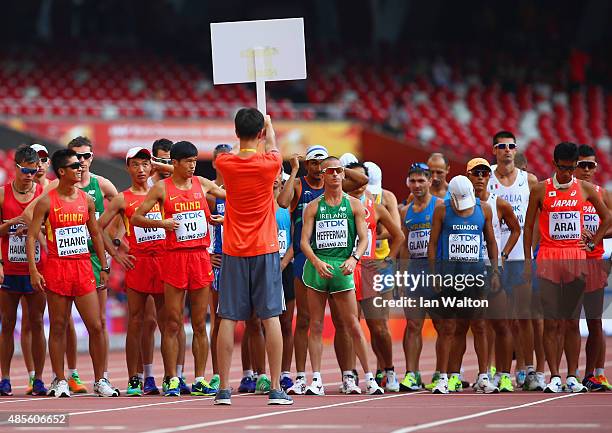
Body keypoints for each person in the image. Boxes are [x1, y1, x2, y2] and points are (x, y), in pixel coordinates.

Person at [132, 141, 225, 397]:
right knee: (172, 323)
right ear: (175, 163)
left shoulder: (203, 184)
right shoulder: (162, 188)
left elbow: (232, 198)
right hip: (174, 259)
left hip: (199, 258)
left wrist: (223, 219)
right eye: (188, 161)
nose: (193, 165)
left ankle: (199, 379)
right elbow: (136, 218)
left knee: (199, 323)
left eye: (195, 160)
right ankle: (172, 378)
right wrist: (163, 223)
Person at [213, 109, 293, 405]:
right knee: (271, 316)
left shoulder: (225, 163)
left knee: (228, 317)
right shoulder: (269, 164)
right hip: (265, 248)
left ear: (235, 132)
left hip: (234, 249)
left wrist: (251, 137)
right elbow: (274, 147)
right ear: (260, 133)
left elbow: (237, 151)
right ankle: (275, 387)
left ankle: (223, 389)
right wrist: (269, 126)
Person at [26, 148, 119, 397]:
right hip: (57, 268)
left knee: (97, 326)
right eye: (74, 166)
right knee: (58, 326)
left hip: (83, 266)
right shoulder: (47, 201)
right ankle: (59, 380)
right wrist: (34, 270)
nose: (80, 169)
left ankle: (101, 380)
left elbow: (95, 233)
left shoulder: (86, 200)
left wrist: (104, 265)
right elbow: (32, 236)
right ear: (62, 172)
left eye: (81, 165)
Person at [277, 145, 368, 395]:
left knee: (343, 322)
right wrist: (294, 170)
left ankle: (347, 376)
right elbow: (282, 202)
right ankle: (300, 377)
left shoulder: (337, 185)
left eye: (324, 165)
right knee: (305, 321)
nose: (320, 169)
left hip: (337, 262)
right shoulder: (299, 186)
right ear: (308, 165)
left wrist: (339, 167)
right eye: (315, 164)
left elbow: (363, 180)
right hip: (305, 261)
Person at [523, 141, 611, 393]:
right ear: (554, 165)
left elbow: (607, 217)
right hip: (549, 258)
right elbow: (529, 227)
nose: (568, 174)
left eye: (571, 169)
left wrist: (593, 240)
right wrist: (529, 261)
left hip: (575, 258)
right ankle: (554, 376)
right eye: (563, 169)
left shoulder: (584, 188)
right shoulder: (540, 190)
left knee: (571, 322)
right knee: (551, 322)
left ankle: (572, 375)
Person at [300, 156, 385, 396]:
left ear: (343, 174)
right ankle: (315, 379)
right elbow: (304, 242)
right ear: (323, 175)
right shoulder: (313, 207)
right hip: (318, 269)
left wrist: (354, 258)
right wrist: (316, 262)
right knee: (315, 325)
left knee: (353, 326)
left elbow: (364, 237)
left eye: (339, 171)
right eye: (330, 171)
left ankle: (369, 379)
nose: (335, 175)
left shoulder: (355, 205)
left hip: (343, 268)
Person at [97, 147, 168, 396]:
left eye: (145, 164)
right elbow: (98, 228)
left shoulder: (162, 193)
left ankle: (164, 377)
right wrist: (116, 254)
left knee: (164, 322)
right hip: (138, 264)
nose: (140, 169)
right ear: (128, 167)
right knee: (136, 322)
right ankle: (134, 379)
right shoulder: (122, 199)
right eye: (135, 165)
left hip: (162, 262)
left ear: (151, 167)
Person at [427, 175, 500, 394]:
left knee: (479, 325)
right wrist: (434, 274)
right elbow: (433, 243)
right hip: (449, 277)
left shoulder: (484, 209)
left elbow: (491, 241)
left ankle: (483, 376)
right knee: (448, 328)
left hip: (476, 277)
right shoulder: (442, 210)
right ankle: (443, 378)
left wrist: (495, 271)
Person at [457, 158, 520, 393]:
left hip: (491, 268)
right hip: (468, 271)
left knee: (501, 323)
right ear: (468, 176)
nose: (481, 177)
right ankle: (482, 373)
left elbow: (516, 229)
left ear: (489, 177)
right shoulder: (458, 206)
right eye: (476, 173)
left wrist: (501, 256)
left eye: (484, 172)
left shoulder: (498, 204)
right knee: (475, 325)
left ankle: (504, 376)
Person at [487, 131, 543, 392]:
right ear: (494, 150)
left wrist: (534, 254)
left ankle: (527, 368)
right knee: (498, 318)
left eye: (511, 146)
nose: (507, 150)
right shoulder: (486, 179)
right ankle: (497, 372)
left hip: (521, 256)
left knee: (524, 316)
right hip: (495, 258)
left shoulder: (529, 180)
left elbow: (536, 219)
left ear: (516, 150)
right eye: (502, 146)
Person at [67, 137, 123, 389]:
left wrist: (115, 240)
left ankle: (103, 377)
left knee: (98, 322)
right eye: (76, 156)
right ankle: (70, 374)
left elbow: (124, 207)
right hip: (67, 259)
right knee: (63, 321)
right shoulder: (59, 188)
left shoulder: (101, 185)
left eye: (86, 156)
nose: (81, 161)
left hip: (94, 258)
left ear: (92, 158)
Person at [345, 161, 404, 393]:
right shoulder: (338, 204)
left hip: (369, 269)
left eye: (362, 180)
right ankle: (349, 375)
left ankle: (389, 370)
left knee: (378, 326)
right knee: (349, 326)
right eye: (354, 181)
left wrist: (388, 261)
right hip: (346, 269)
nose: (358, 186)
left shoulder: (375, 206)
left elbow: (398, 236)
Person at [0, 146, 47, 397]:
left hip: (37, 269)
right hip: (9, 268)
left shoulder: (42, 194)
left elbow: (48, 231)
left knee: (37, 323)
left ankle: (37, 379)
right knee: (7, 324)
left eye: (34, 170)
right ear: (16, 167)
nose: (31, 174)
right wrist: (12, 225)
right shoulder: (2, 194)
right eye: (26, 170)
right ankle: (5, 378)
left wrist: (32, 229)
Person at [399, 163, 440, 391]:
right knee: (413, 324)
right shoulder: (405, 211)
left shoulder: (441, 207)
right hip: (414, 271)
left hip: (435, 271)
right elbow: (404, 245)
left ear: (430, 181)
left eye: (421, 180)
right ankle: (411, 373)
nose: (416, 185)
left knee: (442, 325)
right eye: (412, 181)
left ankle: (441, 373)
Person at [574, 144, 612, 391]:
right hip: (567, 261)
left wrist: (595, 238)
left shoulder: (603, 194)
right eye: (582, 165)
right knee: (567, 321)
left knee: (595, 321)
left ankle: (596, 374)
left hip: (595, 262)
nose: (587, 169)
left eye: (591, 165)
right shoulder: (566, 192)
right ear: (573, 165)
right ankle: (570, 374)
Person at [206, 143, 233, 393]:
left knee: (255, 320)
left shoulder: (240, 189)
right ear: (215, 163)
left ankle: (254, 374)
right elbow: (195, 226)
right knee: (219, 319)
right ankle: (216, 375)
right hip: (218, 262)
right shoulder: (210, 194)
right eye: (220, 158)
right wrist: (206, 255)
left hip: (242, 258)